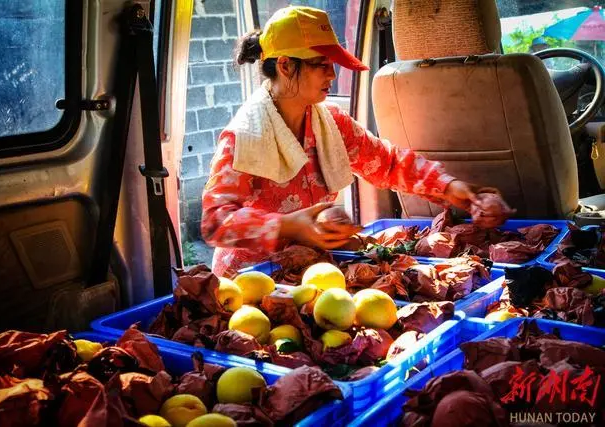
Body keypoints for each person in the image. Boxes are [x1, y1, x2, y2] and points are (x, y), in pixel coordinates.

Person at [201, 6, 509, 278]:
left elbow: (388, 162)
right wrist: (288, 225)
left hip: (311, 273)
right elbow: (216, 222)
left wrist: (453, 188)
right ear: (285, 65)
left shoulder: (330, 123)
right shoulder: (243, 137)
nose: (332, 75)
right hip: (250, 281)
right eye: (321, 63)